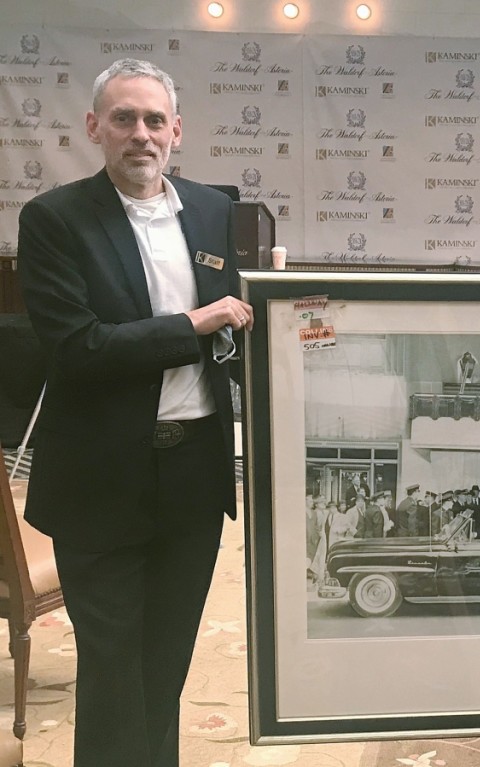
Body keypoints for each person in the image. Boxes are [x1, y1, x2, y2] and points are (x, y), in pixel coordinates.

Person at [15, 58, 253, 767]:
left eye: (155, 120)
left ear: (177, 131)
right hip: (99, 479)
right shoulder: (54, 219)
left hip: (193, 476)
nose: (140, 134)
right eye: (124, 118)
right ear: (95, 127)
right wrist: (197, 322)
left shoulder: (213, 211)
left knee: (165, 665)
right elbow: (78, 349)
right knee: (116, 672)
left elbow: (237, 331)